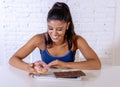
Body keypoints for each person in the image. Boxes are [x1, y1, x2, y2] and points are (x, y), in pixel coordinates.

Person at [9, 2, 101, 74]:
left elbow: (96, 64)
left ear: (67, 25)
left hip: (68, 82)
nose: (54, 34)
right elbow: (13, 59)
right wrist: (28, 67)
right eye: (50, 28)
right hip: (45, 82)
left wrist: (66, 65)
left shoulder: (77, 40)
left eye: (59, 29)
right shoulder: (39, 40)